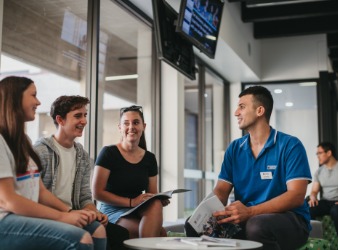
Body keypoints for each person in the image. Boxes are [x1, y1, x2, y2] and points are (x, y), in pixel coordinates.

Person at [185, 86, 312, 250]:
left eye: (242, 107)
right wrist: (203, 215)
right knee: (193, 225)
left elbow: (296, 196)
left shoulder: (290, 145)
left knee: (257, 225)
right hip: (246, 219)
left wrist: (251, 212)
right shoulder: (235, 148)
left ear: (260, 110)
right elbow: (221, 191)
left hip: (290, 220)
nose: (236, 112)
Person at [0, 76, 106, 250]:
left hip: (25, 217)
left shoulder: (23, 140)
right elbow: (7, 201)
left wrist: (70, 212)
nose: (38, 102)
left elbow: (40, 191)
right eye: (33, 95)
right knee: (81, 239)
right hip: (6, 220)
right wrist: (61, 217)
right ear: (15, 98)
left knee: (97, 231)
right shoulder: (4, 140)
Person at [33, 95, 129, 250]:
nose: (84, 121)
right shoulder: (40, 151)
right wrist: (70, 212)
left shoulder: (82, 155)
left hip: (74, 214)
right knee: (95, 233)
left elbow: (84, 196)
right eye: (78, 116)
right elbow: (36, 193)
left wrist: (95, 212)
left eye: (85, 115)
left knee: (119, 234)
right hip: (49, 216)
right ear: (60, 120)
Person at [92, 105, 169, 238]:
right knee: (159, 233)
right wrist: (130, 202)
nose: (131, 127)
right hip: (111, 210)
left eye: (136, 122)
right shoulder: (108, 153)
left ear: (143, 126)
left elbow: (151, 193)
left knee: (156, 203)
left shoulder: (150, 158)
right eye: (126, 123)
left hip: (137, 208)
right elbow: (97, 193)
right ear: (120, 128)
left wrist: (160, 198)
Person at [308, 141, 338, 235]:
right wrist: (313, 196)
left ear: (329, 153)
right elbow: (314, 190)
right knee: (308, 208)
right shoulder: (319, 172)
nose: (318, 156)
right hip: (326, 202)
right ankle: (313, 238)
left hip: (337, 203)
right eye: (317, 154)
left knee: (335, 211)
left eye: (320, 153)